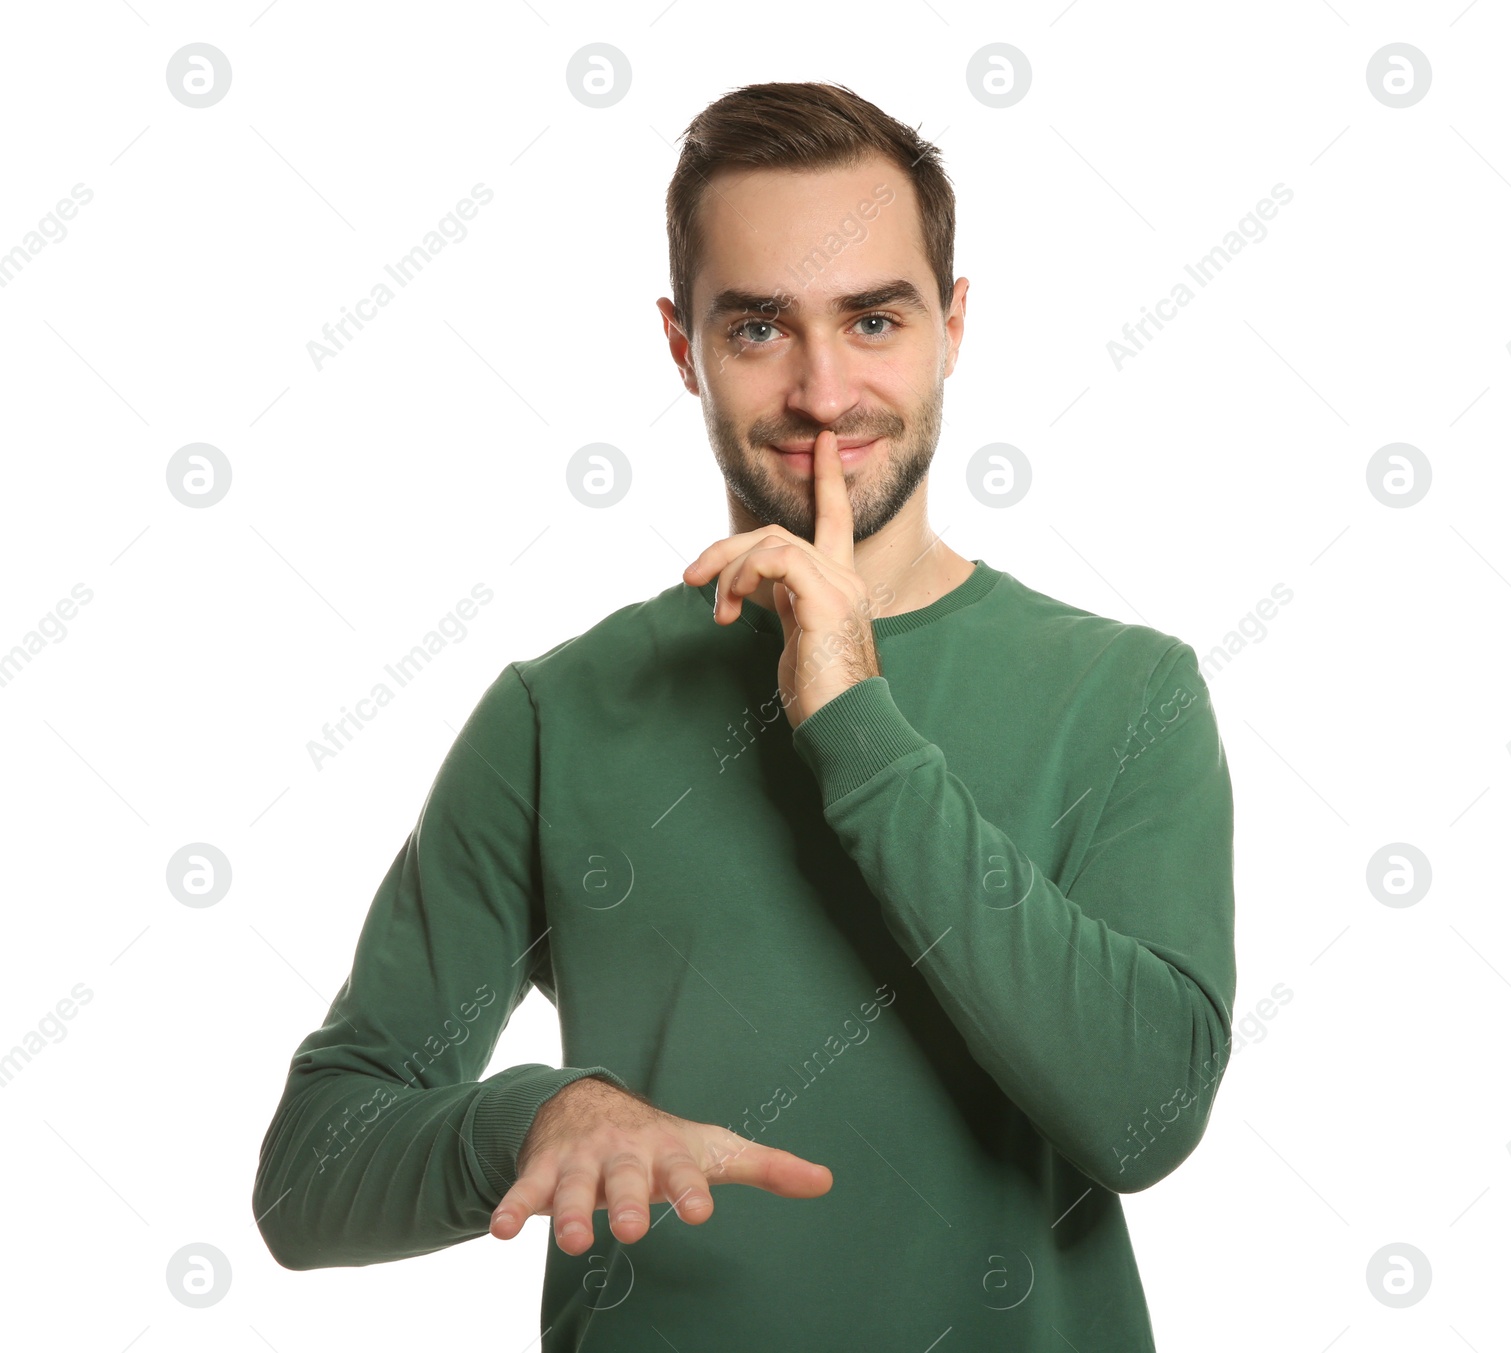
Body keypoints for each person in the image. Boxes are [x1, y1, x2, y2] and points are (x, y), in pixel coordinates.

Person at [253, 80, 1236, 1352]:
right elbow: (309, 1177)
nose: (824, 391)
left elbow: (1145, 1121)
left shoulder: (1127, 693)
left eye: (874, 319)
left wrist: (855, 721)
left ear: (952, 327)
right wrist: (538, 1120)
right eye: (761, 327)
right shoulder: (558, 715)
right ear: (682, 348)